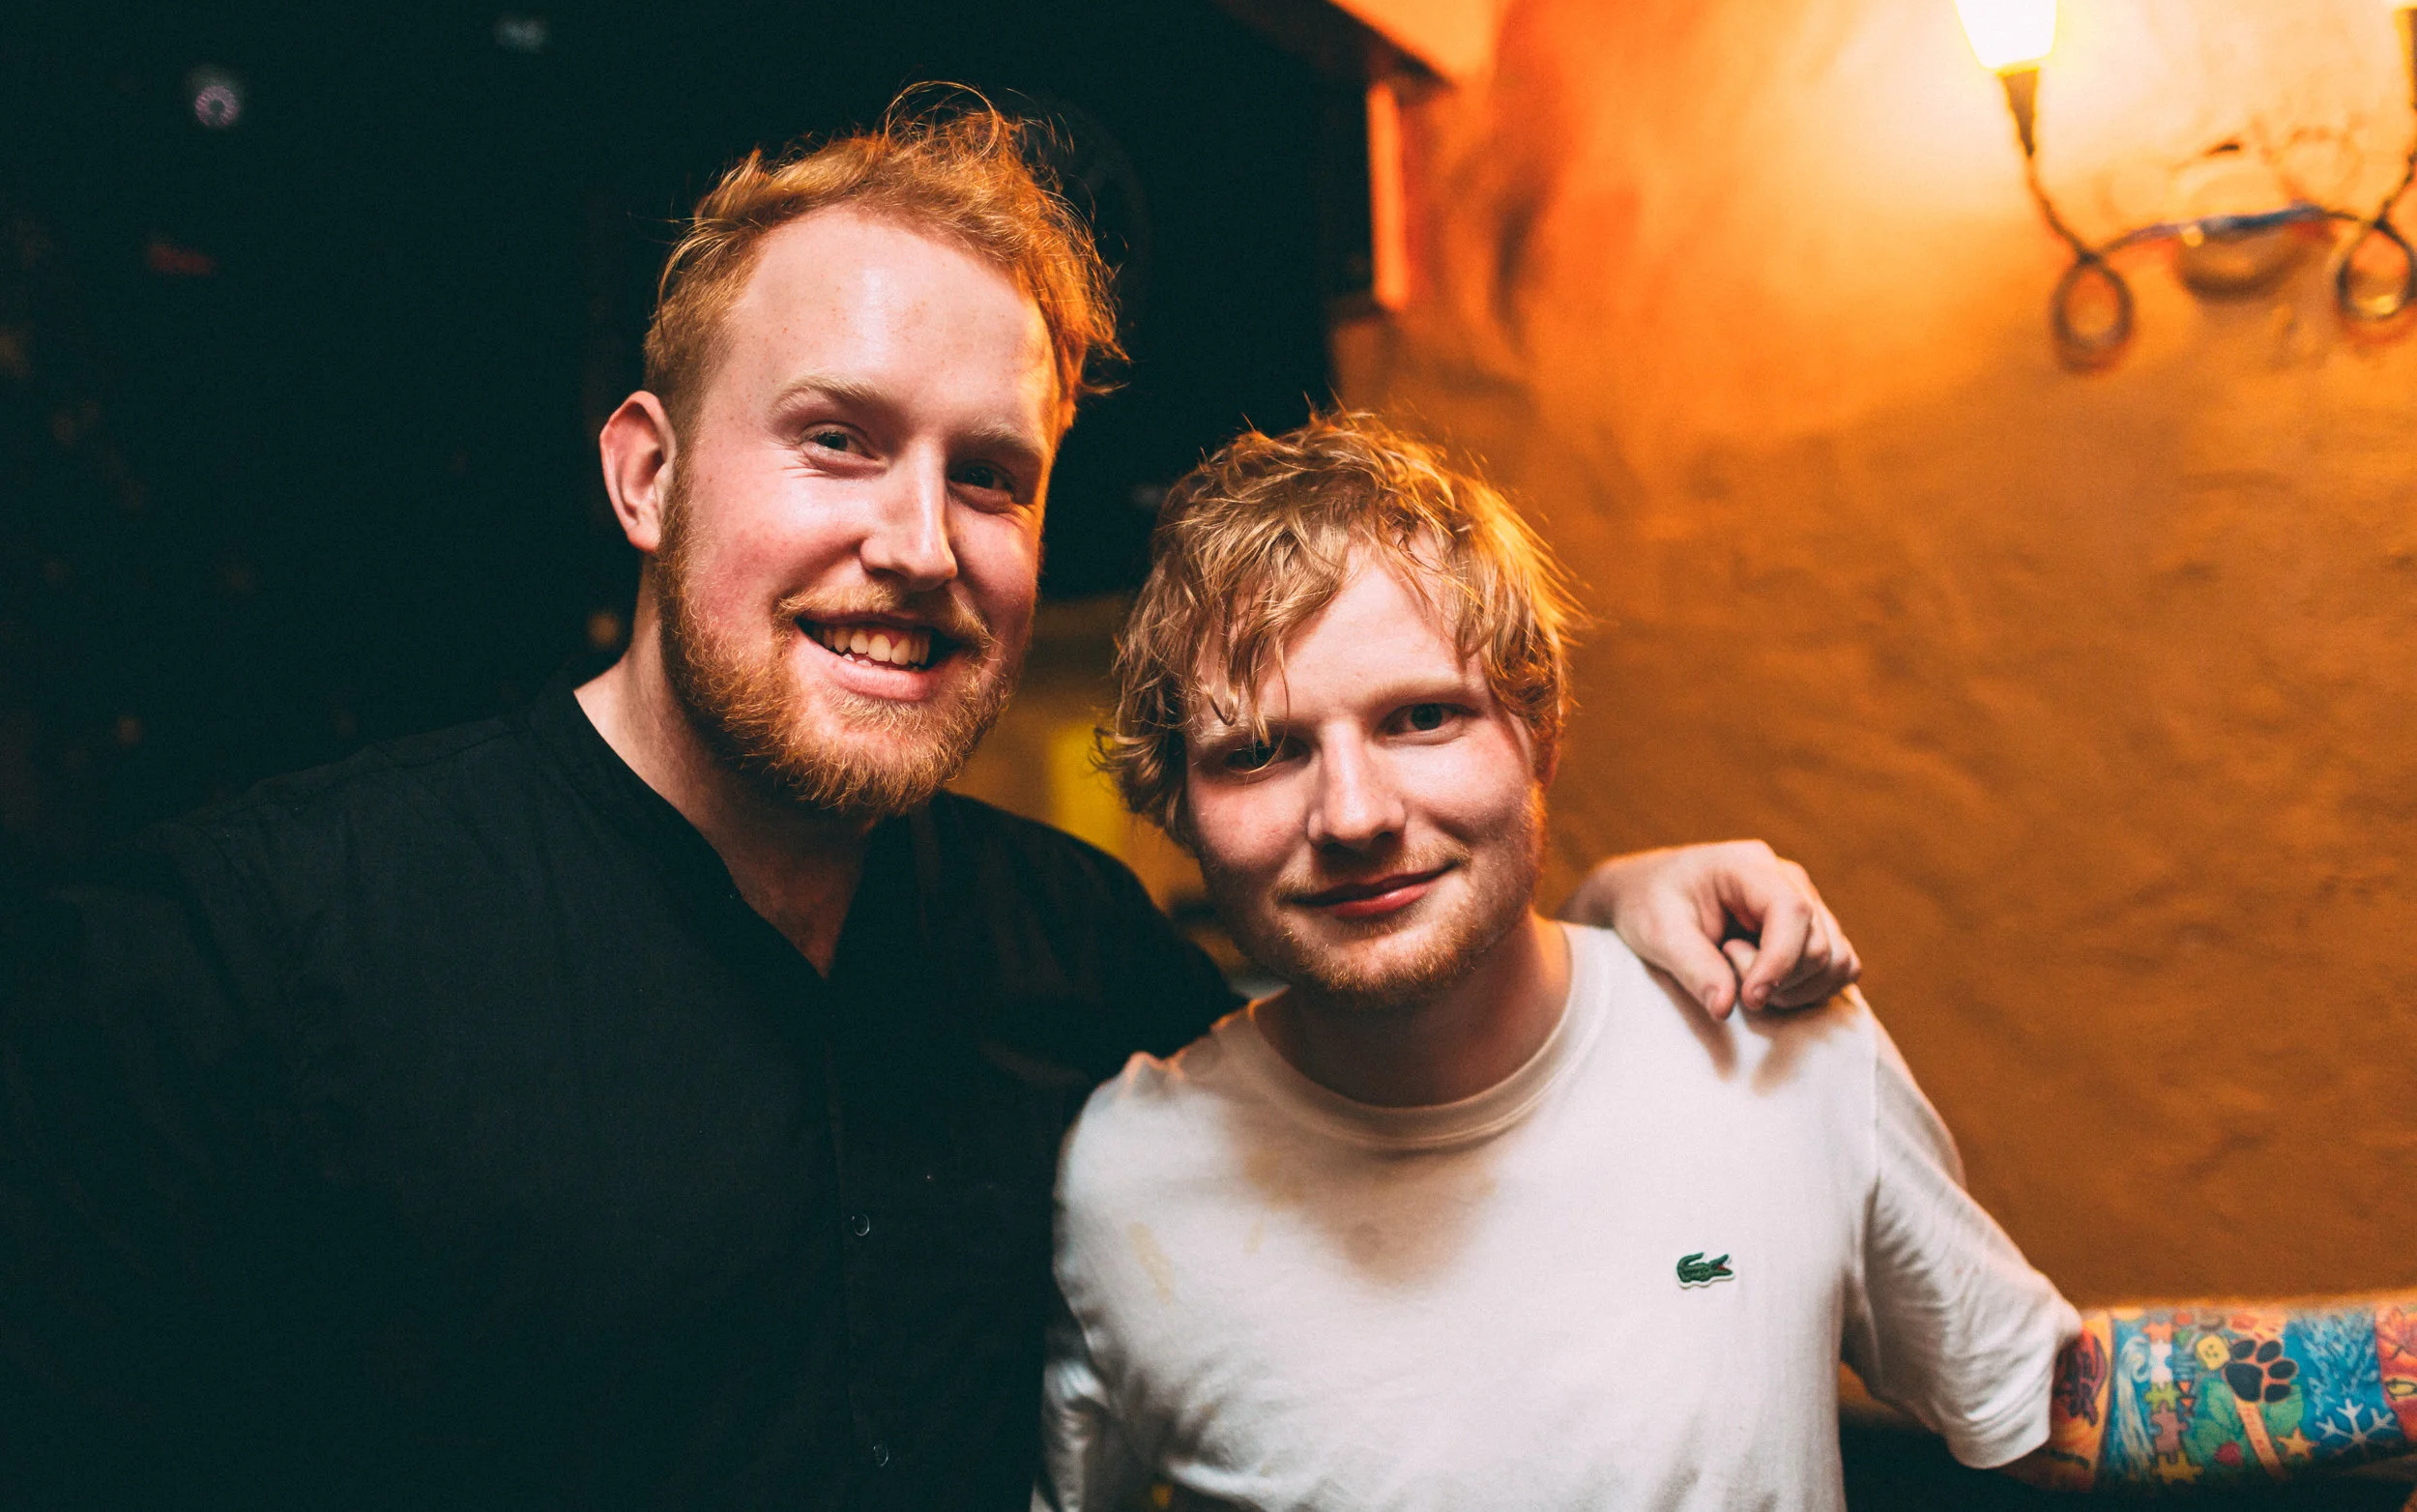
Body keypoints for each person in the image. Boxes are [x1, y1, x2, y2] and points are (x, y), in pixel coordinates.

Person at [0, 100, 1857, 1509]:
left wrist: (1598, 920)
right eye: (837, 440)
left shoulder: (1082, 953)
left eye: (991, 476)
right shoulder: (231, 960)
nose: (919, 544)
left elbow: (1395, 1092)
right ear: (645, 476)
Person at [1038, 412, 2417, 1510]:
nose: (1352, 813)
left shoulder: (1769, 1044)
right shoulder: (1123, 1177)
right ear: (1177, 806)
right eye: (1262, 750)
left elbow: (2055, 1399)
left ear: (1538, 733)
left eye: (1420, 718)